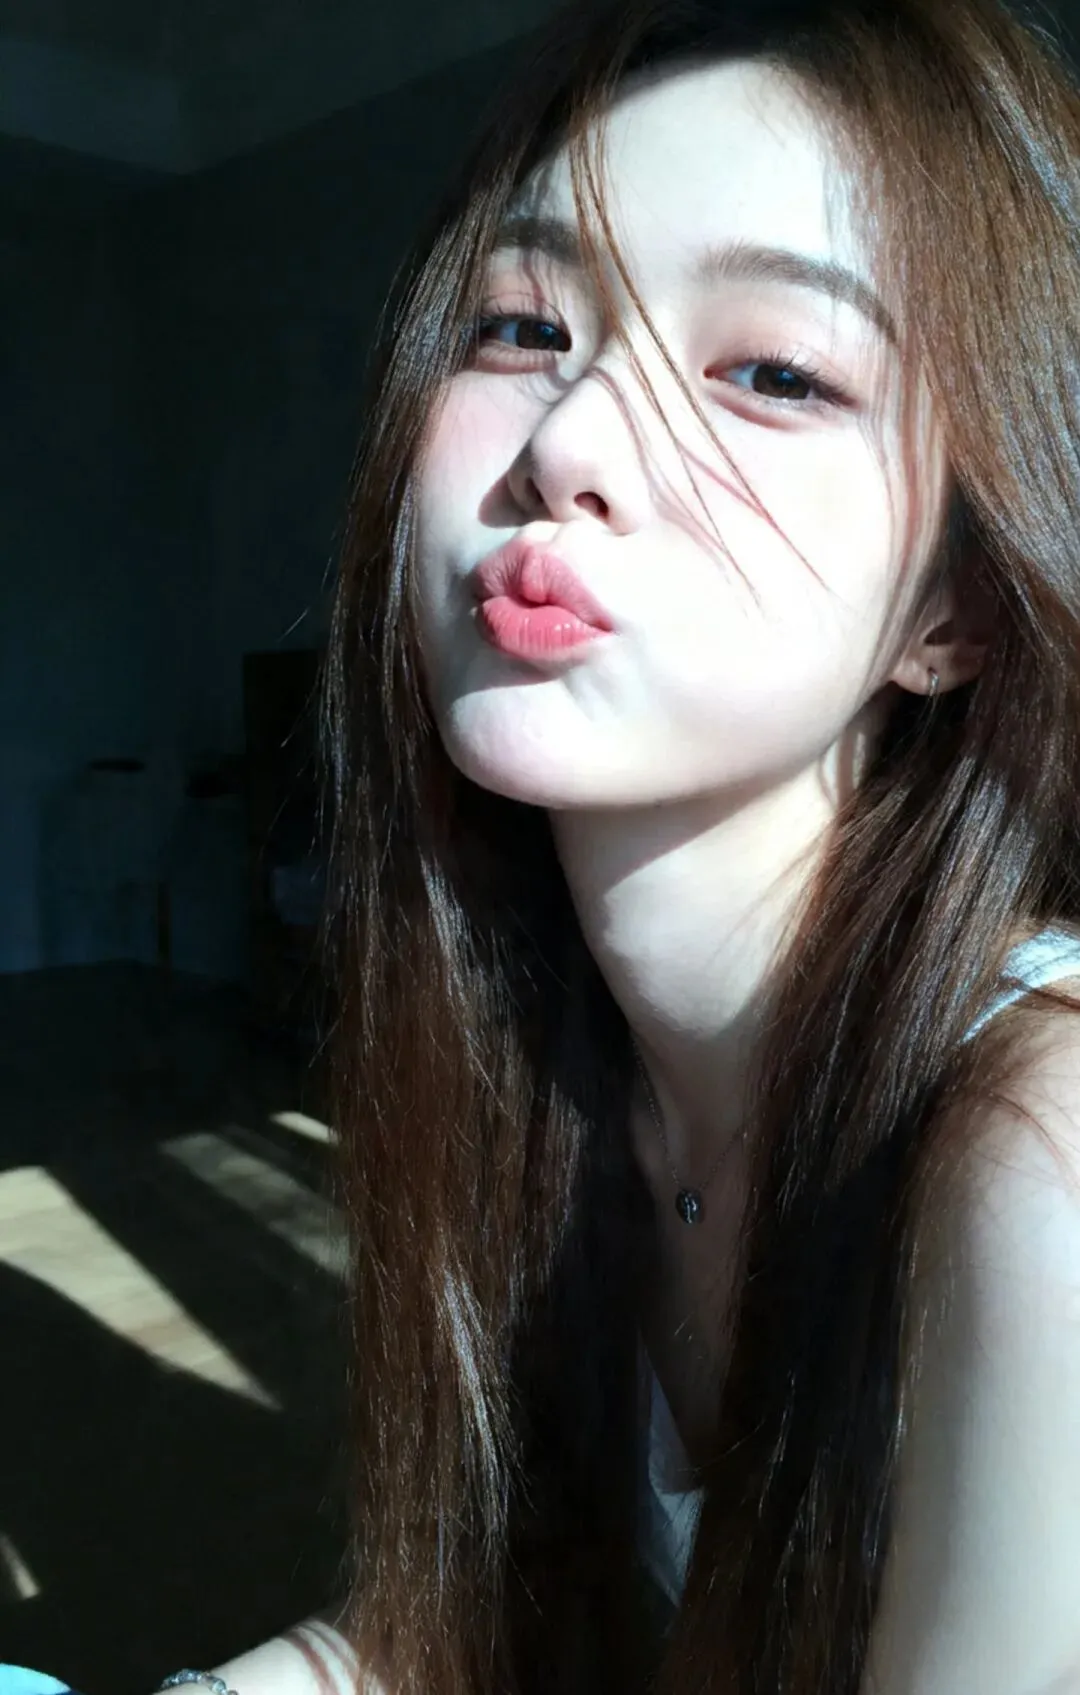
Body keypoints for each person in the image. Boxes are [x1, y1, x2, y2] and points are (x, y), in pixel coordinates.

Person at [10, 0, 1080, 1689]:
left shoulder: (1041, 1160)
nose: (565, 446)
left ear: (954, 610)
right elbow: (474, 1630)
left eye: (773, 372)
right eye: (523, 327)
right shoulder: (550, 1059)